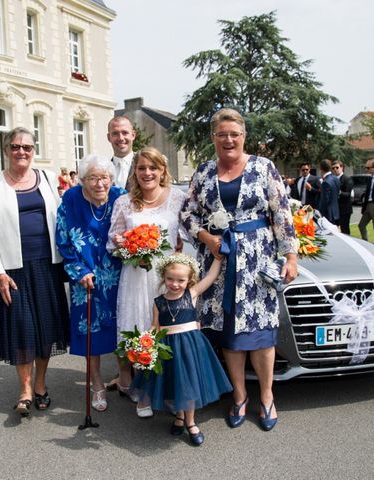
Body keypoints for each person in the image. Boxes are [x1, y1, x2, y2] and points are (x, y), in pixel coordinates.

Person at [180, 108, 298, 431]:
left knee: (261, 335)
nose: (228, 140)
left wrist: (291, 256)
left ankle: (267, 396)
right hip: (219, 264)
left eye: (234, 134)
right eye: (222, 134)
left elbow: (282, 214)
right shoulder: (203, 172)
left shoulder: (264, 168)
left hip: (258, 263)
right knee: (230, 335)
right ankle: (240, 396)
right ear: (213, 138)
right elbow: (187, 215)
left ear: (244, 136)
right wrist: (207, 237)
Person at [0, 126, 69, 416]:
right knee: (21, 329)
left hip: (47, 265)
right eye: (15, 146)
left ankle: (40, 384)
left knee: (45, 328)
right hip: (12, 270)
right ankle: (25, 389)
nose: (21, 152)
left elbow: (63, 218)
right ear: (6, 150)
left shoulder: (47, 178)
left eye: (27, 147)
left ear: (34, 151)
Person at [107, 146, 186, 418]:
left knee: (168, 331)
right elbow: (111, 242)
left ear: (163, 170)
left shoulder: (178, 198)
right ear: (135, 172)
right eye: (142, 168)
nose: (147, 173)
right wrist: (125, 246)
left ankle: (169, 388)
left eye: (153, 167)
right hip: (135, 276)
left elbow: (188, 233)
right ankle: (144, 392)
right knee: (139, 327)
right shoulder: (124, 202)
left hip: (166, 278)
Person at [130, 254, 232, 446]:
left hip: (190, 347)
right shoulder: (158, 302)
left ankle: (191, 423)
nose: (175, 284)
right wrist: (145, 342)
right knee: (176, 383)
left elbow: (210, 278)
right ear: (163, 277)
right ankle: (178, 417)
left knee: (190, 384)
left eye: (181, 280)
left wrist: (218, 259)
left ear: (189, 279)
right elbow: (155, 326)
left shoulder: (191, 294)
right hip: (168, 348)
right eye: (170, 279)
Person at [55, 155, 125, 412]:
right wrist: (79, 270)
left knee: (122, 327)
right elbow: (63, 240)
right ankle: (96, 384)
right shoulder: (71, 200)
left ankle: (125, 376)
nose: (99, 183)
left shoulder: (121, 196)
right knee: (89, 334)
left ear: (111, 179)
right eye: (93, 178)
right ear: (82, 179)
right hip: (84, 278)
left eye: (104, 177)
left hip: (118, 275)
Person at [107, 116, 136, 189]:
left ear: (133, 135)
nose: (120, 138)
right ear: (109, 137)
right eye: (115, 134)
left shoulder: (147, 166)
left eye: (125, 133)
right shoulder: (104, 169)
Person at [332, 160, 354, 234]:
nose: (335, 170)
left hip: (344, 209)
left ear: (342, 168)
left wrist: (339, 192)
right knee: (334, 229)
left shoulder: (347, 179)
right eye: (333, 168)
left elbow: (348, 194)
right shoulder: (332, 179)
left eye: (337, 167)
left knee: (345, 229)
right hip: (334, 209)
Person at [317, 159, 340, 225]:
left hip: (328, 214)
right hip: (335, 212)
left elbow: (325, 200)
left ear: (320, 168)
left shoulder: (326, 182)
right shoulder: (336, 179)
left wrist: (319, 212)